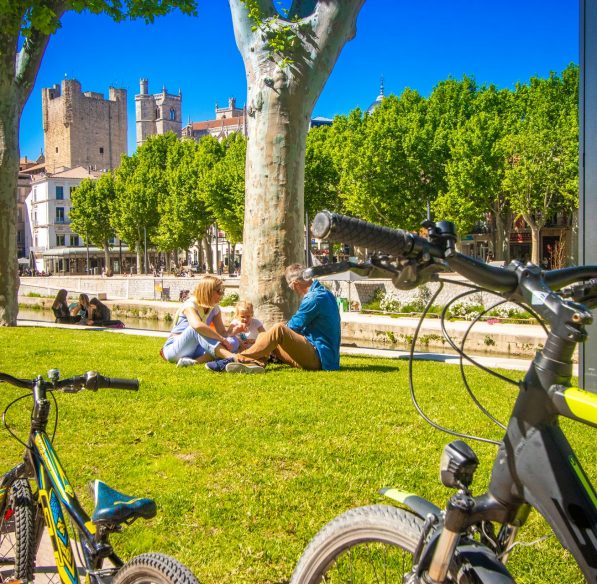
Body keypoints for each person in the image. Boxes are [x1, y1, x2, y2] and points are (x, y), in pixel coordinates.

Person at [206, 263, 341, 374]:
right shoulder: (324, 294)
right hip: (320, 355)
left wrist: (272, 334)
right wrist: (267, 337)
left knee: (278, 329)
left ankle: (235, 359)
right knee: (263, 336)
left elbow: (293, 326)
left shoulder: (314, 298)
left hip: (320, 359)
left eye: (290, 286)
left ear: (294, 283)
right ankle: (255, 364)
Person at [160, 276, 241, 367]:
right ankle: (234, 358)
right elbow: (197, 326)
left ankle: (193, 362)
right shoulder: (190, 305)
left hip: (197, 347)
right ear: (208, 291)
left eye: (222, 291)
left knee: (233, 341)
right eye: (219, 291)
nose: (221, 295)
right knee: (196, 329)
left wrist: (233, 333)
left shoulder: (214, 308)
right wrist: (221, 339)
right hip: (175, 348)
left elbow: (222, 332)